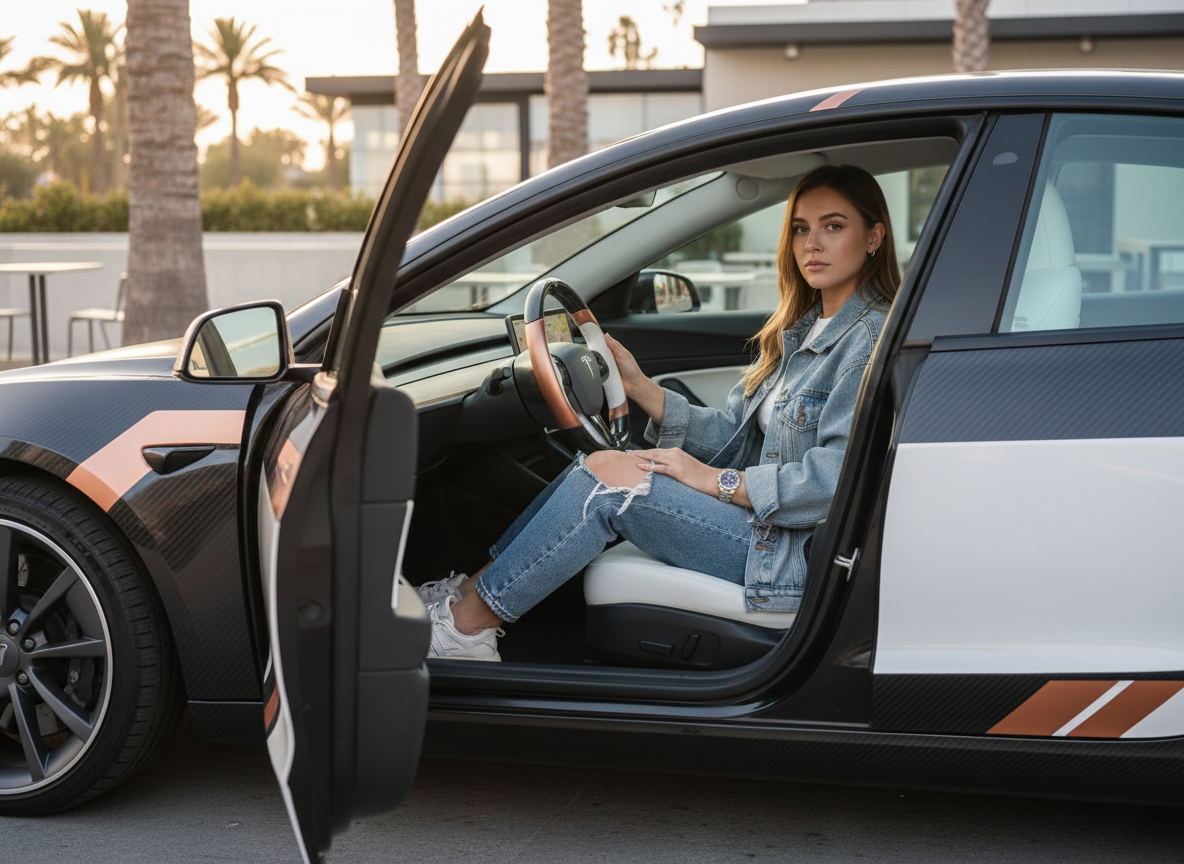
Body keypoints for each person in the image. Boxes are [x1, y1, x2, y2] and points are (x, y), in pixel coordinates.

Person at [420, 164, 902, 661]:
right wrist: (639, 387)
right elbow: (737, 434)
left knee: (610, 483)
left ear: (874, 237)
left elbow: (831, 482)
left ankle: (463, 631)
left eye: (834, 226)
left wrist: (715, 480)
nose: (812, 244)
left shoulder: (867, 340)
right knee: (595, 465)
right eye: (801, 228)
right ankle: (462, 598)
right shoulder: (800, 330)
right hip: (765, 528)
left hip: (788, 552)